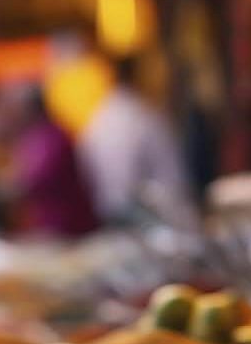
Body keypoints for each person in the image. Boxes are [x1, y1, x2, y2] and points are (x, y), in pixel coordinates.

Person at [78, 59, 198, 231]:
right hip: (150, 221)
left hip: (109, 217)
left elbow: (87, 174)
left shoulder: (95, 122)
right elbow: (173, 176)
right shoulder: (146, 117)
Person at [10, 88, 99, 237]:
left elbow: (38, 178)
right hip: (47, 224)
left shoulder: (53, 137)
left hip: (68, 225)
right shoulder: (31, 136)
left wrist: (11, 184)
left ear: (31, 109)